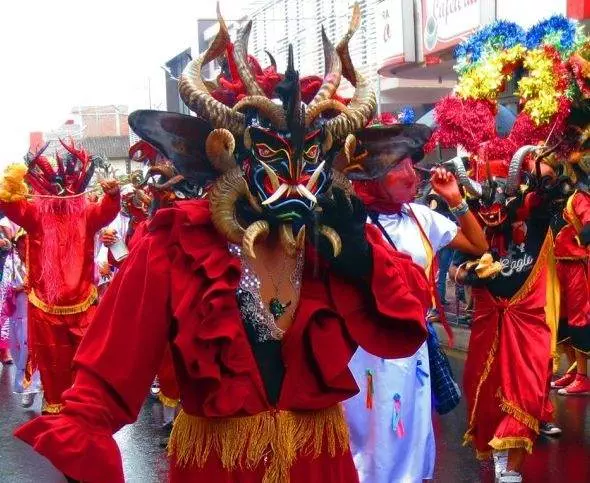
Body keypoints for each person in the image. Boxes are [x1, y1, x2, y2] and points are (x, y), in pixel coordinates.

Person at [14, 7, 431, 482]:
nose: (295, 178)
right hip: (218, 467)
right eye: (273, 152)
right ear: (224, 150)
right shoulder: (179, 241)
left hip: (320, 464)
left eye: (311, 154)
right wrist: (82, 441)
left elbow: (412, 307)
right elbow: (107, 377)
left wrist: (357, 254)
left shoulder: (334, 234)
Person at [341, 126, 488, 483]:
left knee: (412, 428)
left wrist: (455, 199)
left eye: (410, 164)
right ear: (372, 175)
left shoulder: (420, 217)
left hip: (414, 348)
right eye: (398, 166)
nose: (411, 175)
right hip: (367, 351)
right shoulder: (349, 222)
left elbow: (478, 244)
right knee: (375, 436)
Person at [0, 141, 120, 414]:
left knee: (87, 361)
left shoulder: (87, 213)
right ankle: (56, 413)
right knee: (53, 367)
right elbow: (8, 204)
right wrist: (14, 176)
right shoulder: (35, 216)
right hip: (46, 307)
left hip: (82, 304)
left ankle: (83, 411)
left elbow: (106, 211)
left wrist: (113, 196)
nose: (62, 193)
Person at [552, 178, 590, 395]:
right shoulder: (554, 199)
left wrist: (580, 240)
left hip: (577, 265)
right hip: (559, 265)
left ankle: (583, 377)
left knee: (578, 319)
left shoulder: (579, 197)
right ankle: (573, 370)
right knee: (562, 319)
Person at [2, 228, 42, 407]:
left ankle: (34, 387)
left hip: (39, 311)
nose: (24, 246)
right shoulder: (11, 261)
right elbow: (6, 286)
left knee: (35, 347)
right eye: (21, 244)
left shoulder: (40, 260)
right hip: (19, 312)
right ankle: (29, 386)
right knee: (20, 348)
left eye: (27, 242)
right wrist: (17, 289)